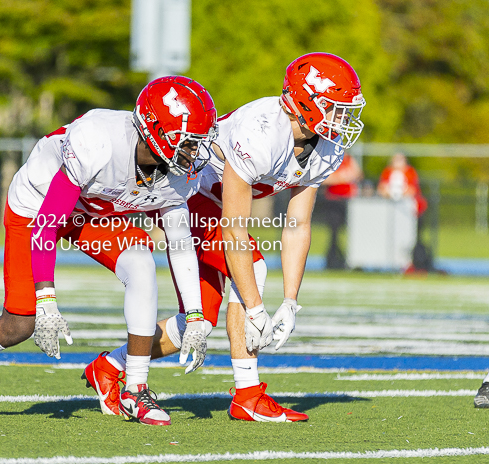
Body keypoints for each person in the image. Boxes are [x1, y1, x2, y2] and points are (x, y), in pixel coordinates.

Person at [0, 76, 218, 426]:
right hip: (37, 207)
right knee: (19, 323)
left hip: (94, 211)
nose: (195, 154)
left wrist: (195, 314)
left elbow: (181, 241)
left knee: (141, 261)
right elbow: (48, 222)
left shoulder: (179, 173)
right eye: (188, 143)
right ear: (154, 130)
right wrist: (47, 302)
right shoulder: (98, 139)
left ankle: (135, 389)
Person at [84, 53, 366, 422]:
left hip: (216, 204)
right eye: (335, 107)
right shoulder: (262, 131)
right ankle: (247, 394)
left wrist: (291, 301)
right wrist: (255, 308)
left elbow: (298, 224)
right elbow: (233, 229)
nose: (342, 119)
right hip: (189, 194)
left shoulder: (326, 146)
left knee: (196, 320)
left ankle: (109, 365)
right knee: (254, 269)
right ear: (306, 102)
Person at [377, 152, 432, 272]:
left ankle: (415, 263)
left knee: (414, 238)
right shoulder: (388, 171)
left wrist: (394, 193)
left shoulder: (410, 172)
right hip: (393, 213)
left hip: (412, 212)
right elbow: (381, 189)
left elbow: (411, 190)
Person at [320, 153, 363, 269]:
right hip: (333, 201)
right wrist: (341, 178)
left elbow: (358, 174)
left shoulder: (349, 159)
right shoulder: (329, 159)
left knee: (353, 232)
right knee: (334, 233)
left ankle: (351, 259)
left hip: (348, 201)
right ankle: (334, 260)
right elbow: (323, 179)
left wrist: (343, 177)